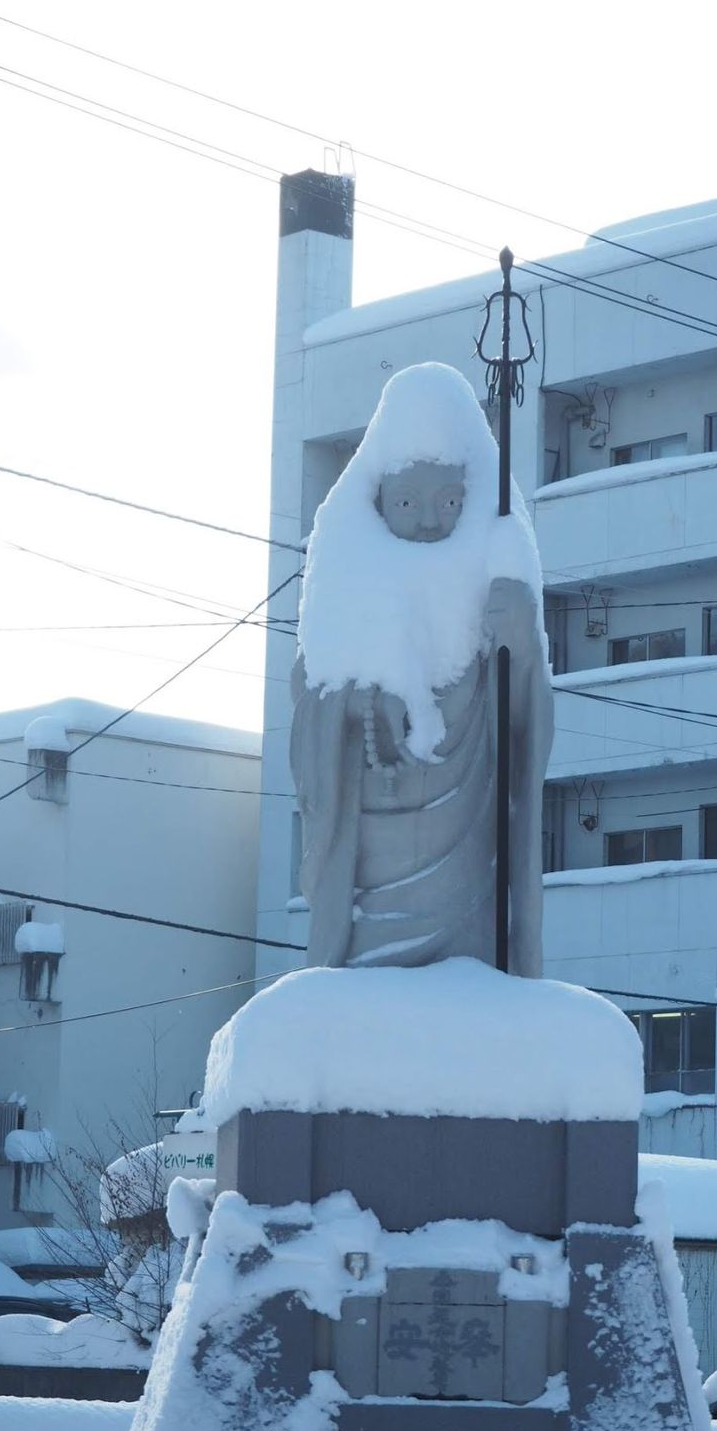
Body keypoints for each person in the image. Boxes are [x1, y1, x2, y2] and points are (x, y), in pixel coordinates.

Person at [290, 363, 552, 975]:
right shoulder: (346, 585)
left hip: (464, 875)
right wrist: (351, 706)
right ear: (380, 499)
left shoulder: (489, 591)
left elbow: (521, 736)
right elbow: (308, 705)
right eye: (410, 501)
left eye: (450, 502)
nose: (431, 520)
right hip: (369, 879)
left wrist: (522, 650)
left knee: (466, 993)